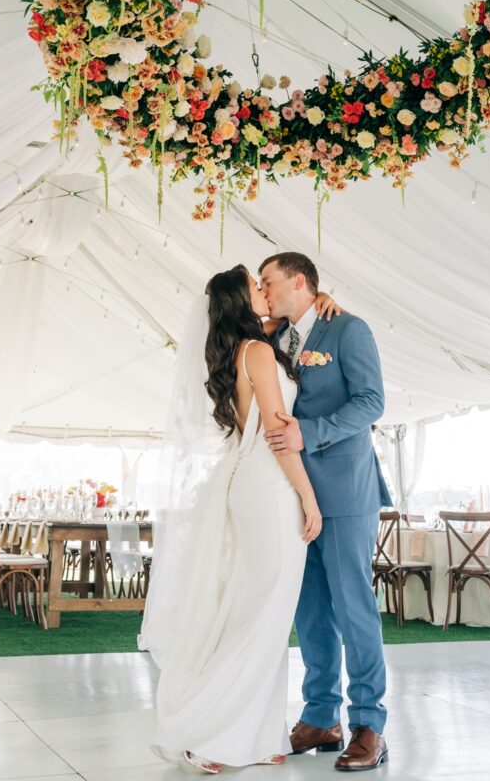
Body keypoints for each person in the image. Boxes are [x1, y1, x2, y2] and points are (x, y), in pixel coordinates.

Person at [139, 265, 338, 774]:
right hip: (270, 488)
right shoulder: (258, 352)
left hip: (246, 484)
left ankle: (255, 734)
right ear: (241, 301)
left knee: (257, 609)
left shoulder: (240, 350)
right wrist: (309, 498)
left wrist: (323, 300)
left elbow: (290, 318)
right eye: (256, 287)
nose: (264, 291)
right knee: (262, 611)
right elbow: (277, 430)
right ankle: (211, 732)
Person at [259, 251, 392, 772]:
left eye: (269, 282)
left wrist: (307, 432)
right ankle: (320, 717)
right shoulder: (276, 339)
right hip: (291, 496)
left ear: (299, 281)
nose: (264, 291)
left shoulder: (348, 329)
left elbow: (371, 402)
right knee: (310, 611)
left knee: (354, 608)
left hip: (344, 493)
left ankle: (369, 725)